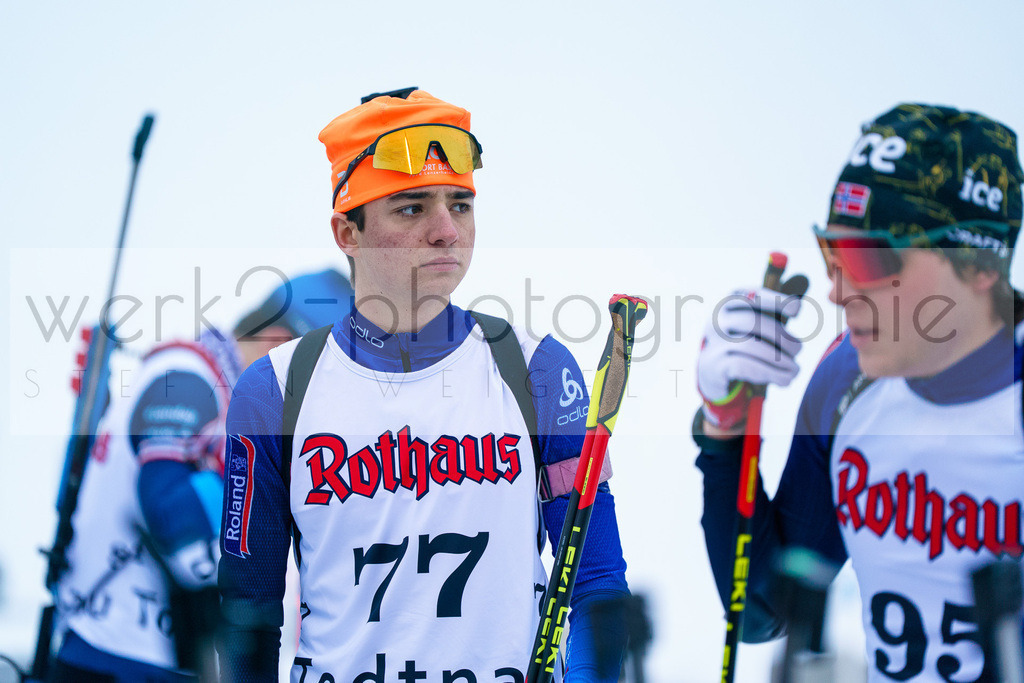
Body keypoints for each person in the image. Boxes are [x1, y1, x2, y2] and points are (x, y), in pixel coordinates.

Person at [218, 89, 630, 683]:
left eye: (460, 204)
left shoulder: (536, 368)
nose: (446, 230)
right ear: (347, 231)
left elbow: (594, 582)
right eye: (411, 207)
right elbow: (246, 613)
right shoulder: (275, 389)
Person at [694, 103, 1024, 681]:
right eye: (831, 254)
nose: (838, 292)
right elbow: (762, 614)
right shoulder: (848, 380)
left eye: (870, 257)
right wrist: (725, 427)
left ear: (979, 265)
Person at [50, 269, 352, 682]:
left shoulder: (221, 393)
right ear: (280, 344)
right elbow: (175, 518)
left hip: (139, 657)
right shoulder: (189, 376)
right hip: (119, 660)